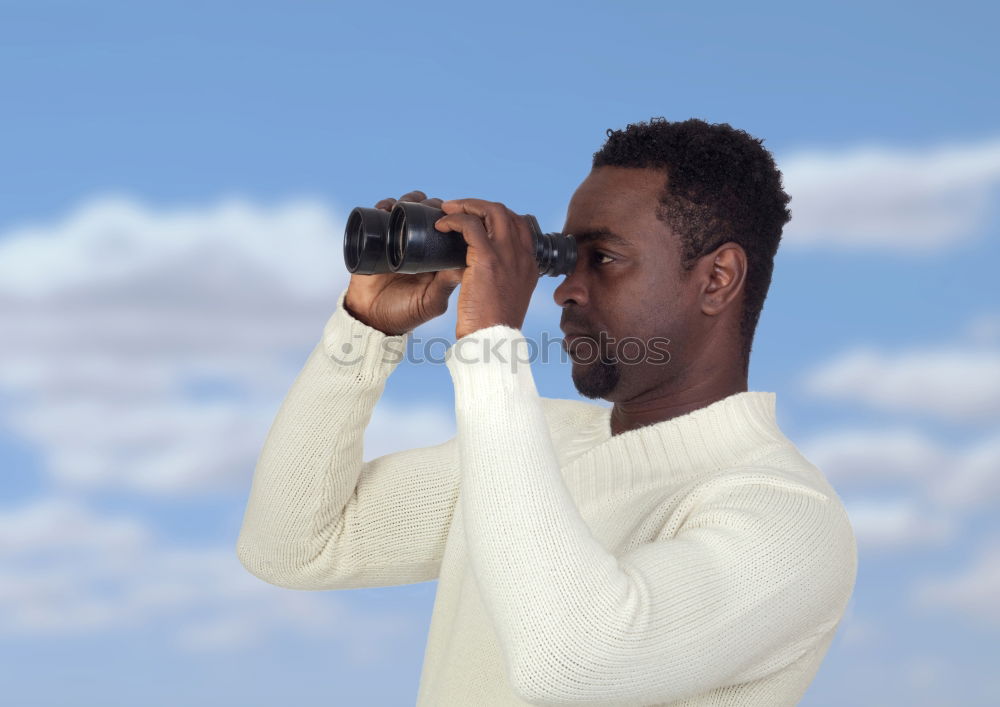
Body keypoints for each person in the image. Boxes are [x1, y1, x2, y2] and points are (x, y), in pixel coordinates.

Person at [236, 117, 858, 706]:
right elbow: (292, 548)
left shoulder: (786, 519)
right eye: (563, 255)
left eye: (606, 258)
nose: (563, 288)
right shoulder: (541, 445)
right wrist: (365, 331)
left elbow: (565, 659)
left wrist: (490, 343)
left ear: (718, 278)